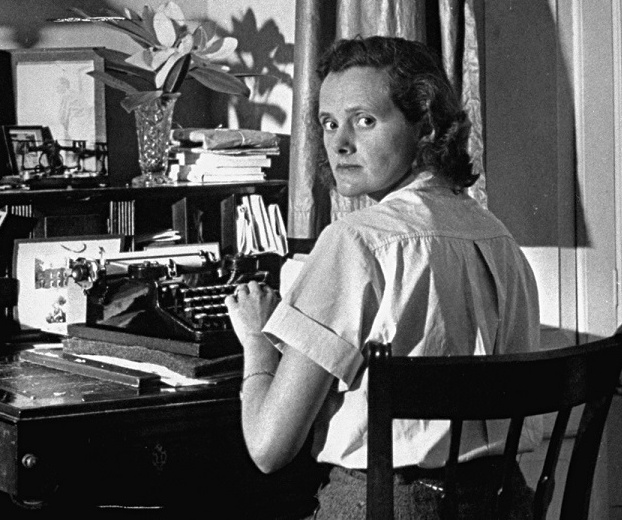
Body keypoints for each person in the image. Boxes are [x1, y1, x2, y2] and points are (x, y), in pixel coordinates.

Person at [224, 36, 541, 519]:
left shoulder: (354, 241)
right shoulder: (501, 241)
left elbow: (269, 449)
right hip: (506, 505)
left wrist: (256, 339)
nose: (339, 143)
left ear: (425, 125)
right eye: (329, 123)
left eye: (364, 120)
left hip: (391, 507)